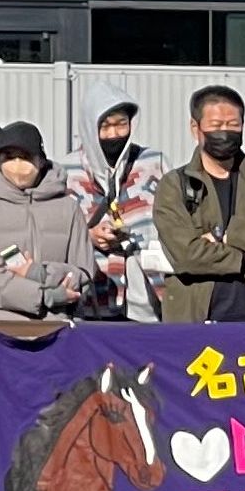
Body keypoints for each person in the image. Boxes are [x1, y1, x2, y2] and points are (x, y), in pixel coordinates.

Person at [152, 85, 245, 324]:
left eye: (233, 125)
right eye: (215, 126)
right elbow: (186, 255)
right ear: (196, 128)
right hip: (197, 317)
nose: (225, 133)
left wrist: (228, 235)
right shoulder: (174, 185)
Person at [59, 81, 168, 323]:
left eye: (122, 124)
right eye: (105, 126)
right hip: (91, 295)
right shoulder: (66, 172)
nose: (114, 134)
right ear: (90, 128)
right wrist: (87, 235)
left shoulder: (153, 163)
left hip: (148, 295)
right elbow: (54, 230)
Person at [0, 121, 94, 322]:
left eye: (24, 157)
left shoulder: (68, 208)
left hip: (58, 327)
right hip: (0, 330)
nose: (17, 165)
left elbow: (83, 272)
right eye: (8, 157)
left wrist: (38, 273)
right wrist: (45, 296)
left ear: (41, 160)